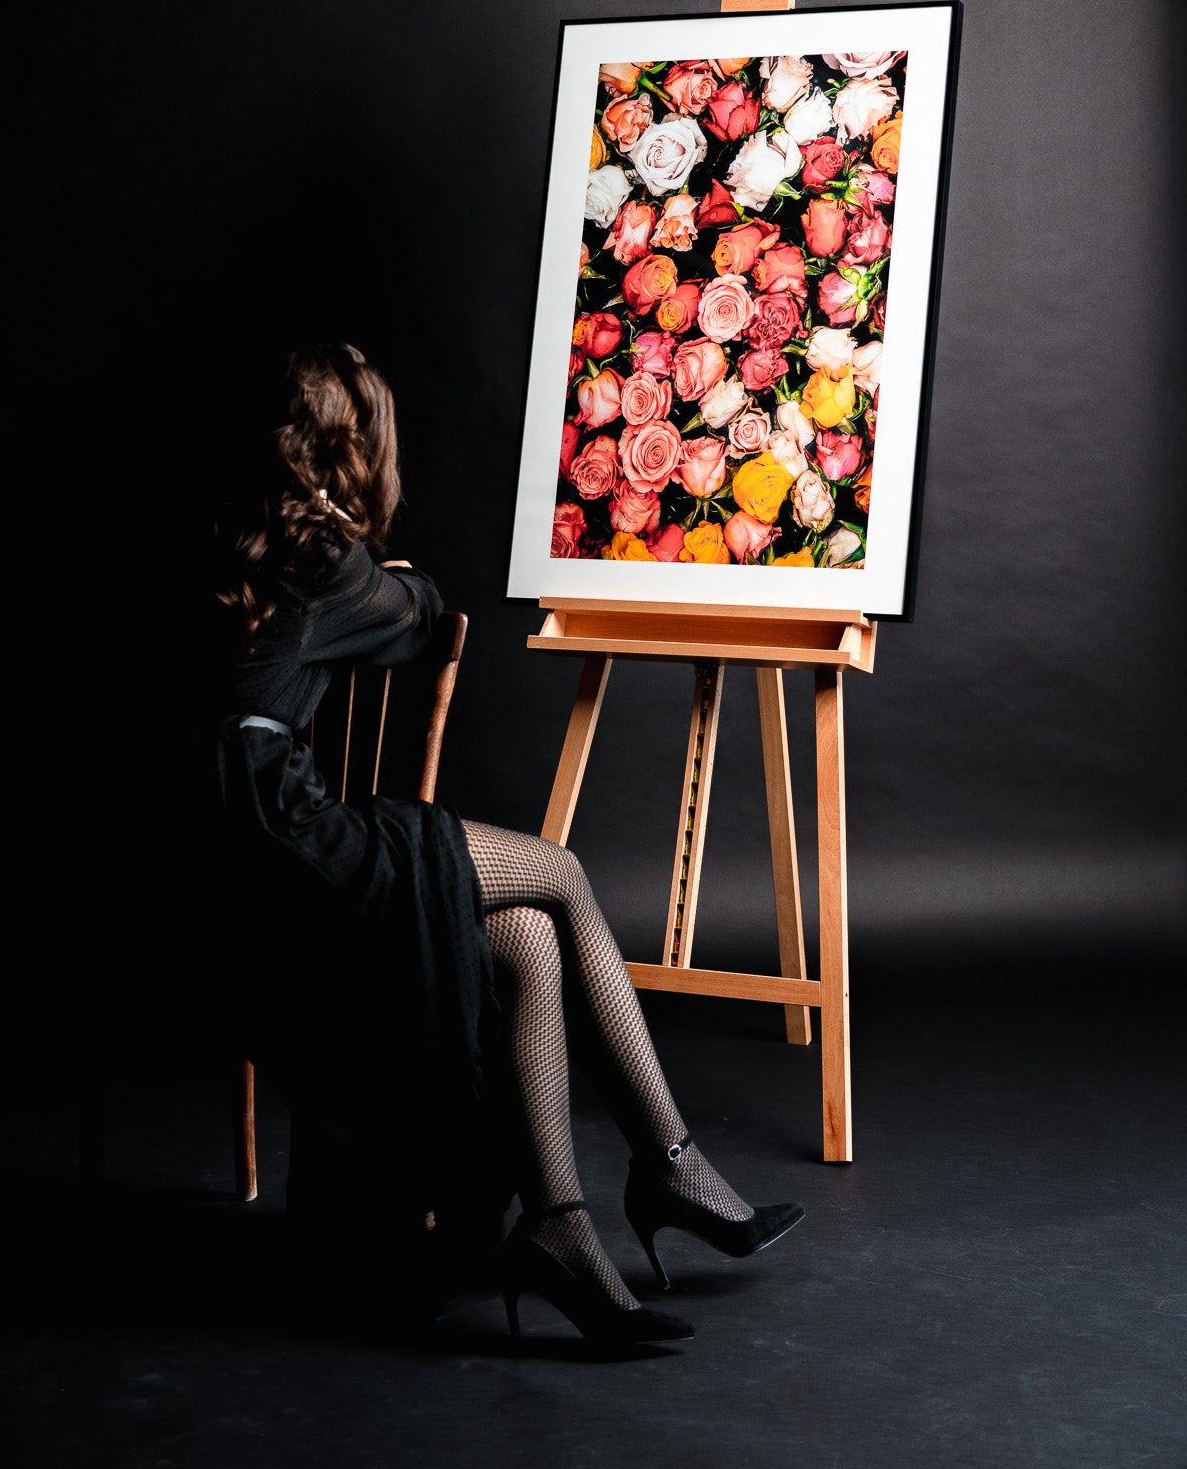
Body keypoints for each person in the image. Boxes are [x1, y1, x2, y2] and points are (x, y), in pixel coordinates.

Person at [207, 341, 803, 1349]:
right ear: (351, 449)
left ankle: (563, 1230)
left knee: (528, 934)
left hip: (230, 838)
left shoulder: (239, 539)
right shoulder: (326, 562)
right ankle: (667, 1161)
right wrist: (390, 571)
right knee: (560, 871)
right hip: (290, 844)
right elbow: (420, 611)